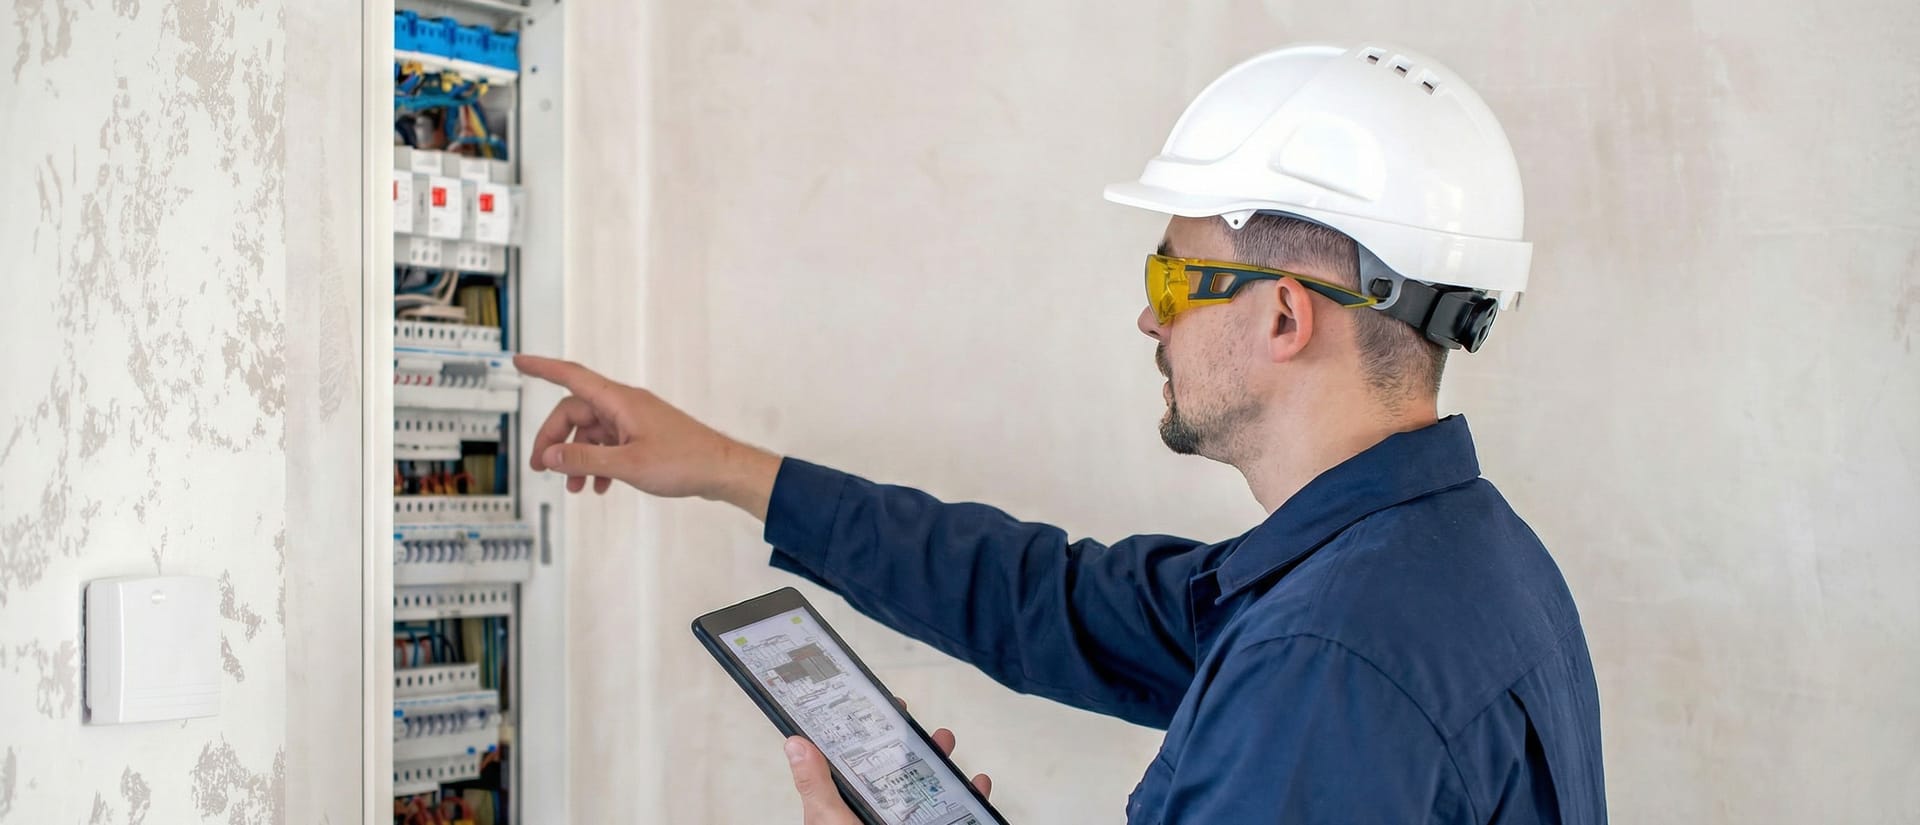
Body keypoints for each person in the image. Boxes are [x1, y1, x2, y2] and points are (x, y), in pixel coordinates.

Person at [516, 42, 1605, 824]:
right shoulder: (1448, 560)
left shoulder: (1327, 666)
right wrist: (724, 467)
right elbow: (1053, 600)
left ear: (1284, 314)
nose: (1148, 314)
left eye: (1172, 277)